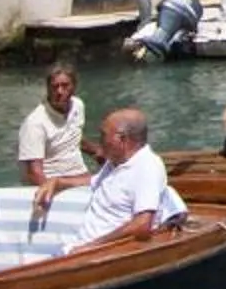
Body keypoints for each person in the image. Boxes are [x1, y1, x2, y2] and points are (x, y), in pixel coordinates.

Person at [68, 108, 172, 252]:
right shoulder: (115, 161)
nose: (99, 141)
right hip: (78, 247)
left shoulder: (147, 167)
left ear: (122, 139)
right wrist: (58, 182)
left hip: (101, 254)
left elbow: (142, 225)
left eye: (103, 136)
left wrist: (92, 247)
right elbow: (93, 182)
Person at [17, 66, 91, 200]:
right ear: (48, 89)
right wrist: (52, 197)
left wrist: (99, 153)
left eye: (65, 85)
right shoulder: (35, 123)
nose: (60, 91)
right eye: (54, 87)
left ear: (74, 86)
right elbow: (34, 173)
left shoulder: (78, 106)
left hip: (82, 176)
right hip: (53, 183)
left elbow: (73, 135)